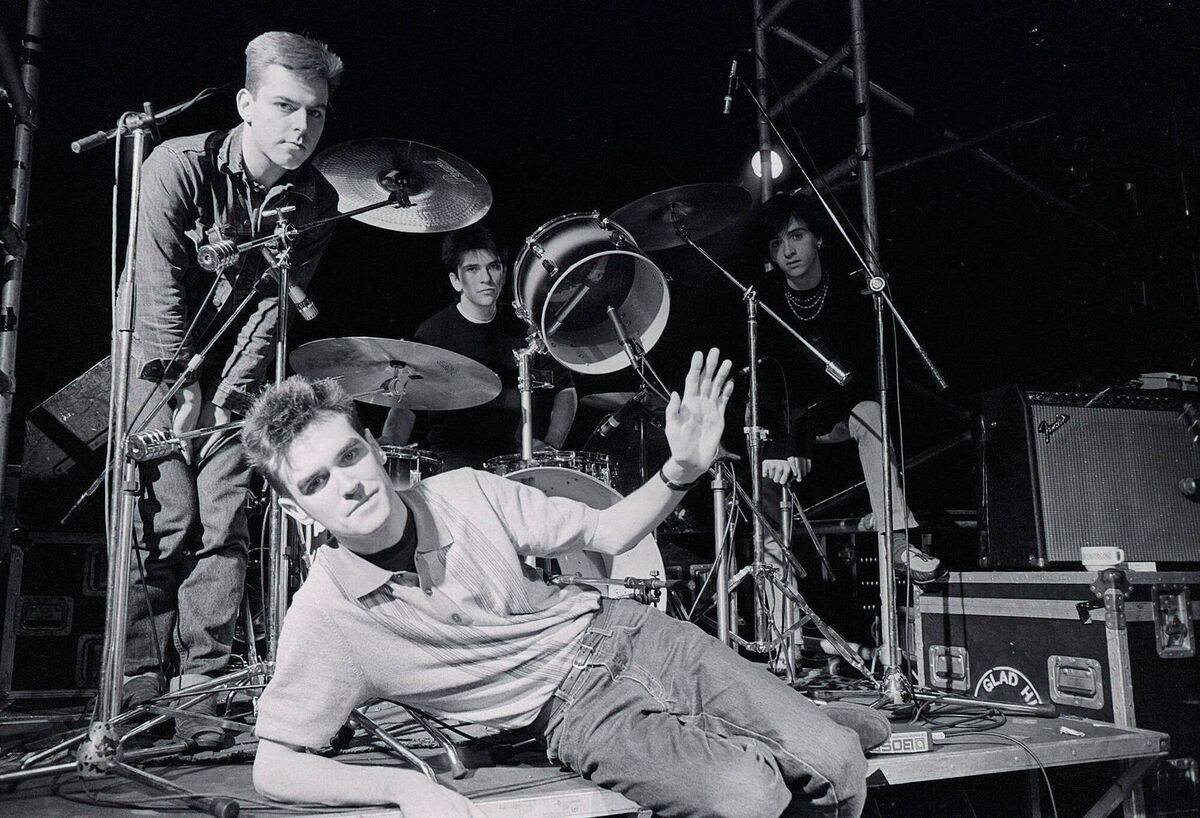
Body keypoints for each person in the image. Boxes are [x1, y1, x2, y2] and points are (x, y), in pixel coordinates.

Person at [242, 350, 888, 817]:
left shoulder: (463, 493)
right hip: (569, 713)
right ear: (299, 510)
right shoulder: (326, 613)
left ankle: (795, 732)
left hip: (625, 632)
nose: (347, 484)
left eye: (349, 455)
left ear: (377, 449)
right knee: (748, 796)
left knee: (836, 762)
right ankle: (772, 731)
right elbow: (274, 766)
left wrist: (682, 468)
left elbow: (608, 534)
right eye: (316, 482)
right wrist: (405, 788)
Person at [120, 31, 343, 749]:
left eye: (315, 113)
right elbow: (155, 291)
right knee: (166, 522)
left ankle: (204, 699)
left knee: (224, 525)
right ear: (247, 104)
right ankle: (135, 697)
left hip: (232, 370)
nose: (300, 127)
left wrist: (229, 397)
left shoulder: (317, 200)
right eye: (284, 106)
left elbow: (274, 304)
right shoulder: (174, 165)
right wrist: (179, 384)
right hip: (155, 357)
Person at [748, 192, 943, 649]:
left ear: (818, 237)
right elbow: (767, 385)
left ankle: (897, 542)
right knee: (753, 435)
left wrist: (802, 435)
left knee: (871, 412)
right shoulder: (769, 307)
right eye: (777, 244)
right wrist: (783, 438)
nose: (789, 251)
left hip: (834, 419)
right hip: (790, 424)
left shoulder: (854, 295)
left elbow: (859, 384)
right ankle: (781, 625)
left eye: (796, 236)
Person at [380, 223, 577, 469]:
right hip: (453, 461)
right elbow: (406, 405)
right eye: (473, 269)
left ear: (504, 274)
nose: (486, 278)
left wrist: (551, 446)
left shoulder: (525, 328)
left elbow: (565, 390)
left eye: (493, 267)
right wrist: (389, 441)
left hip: (515, 460)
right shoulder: (432, 333)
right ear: (455, 281)